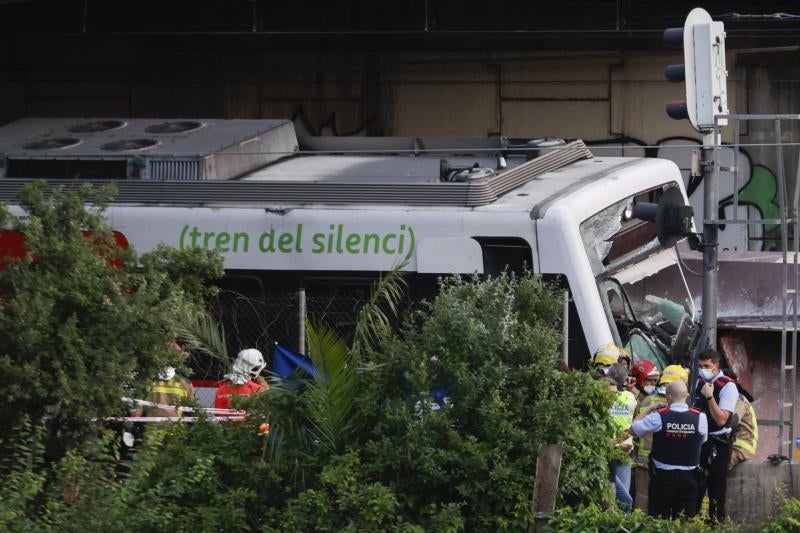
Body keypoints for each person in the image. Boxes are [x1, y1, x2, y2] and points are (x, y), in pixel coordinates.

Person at [630, 380, 707, 519]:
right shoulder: (700, 417)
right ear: (687, 395)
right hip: (690, 479)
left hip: (663, 479)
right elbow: (702, 441)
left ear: (669, 397)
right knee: (684, 522)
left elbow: (634, 429)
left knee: (658, 521)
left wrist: (649, 408)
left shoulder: (659, 416)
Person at [632, 364, 688, 511]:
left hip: (644, 460)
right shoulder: (678, 404)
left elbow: (636, 426)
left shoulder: (647, 400)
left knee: (642, 499)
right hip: (667, 463)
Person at [692, 349, 738, 522]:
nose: (703, 369)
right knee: (694, 489)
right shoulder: (697, 382)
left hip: (718, 444)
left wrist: (710, 397)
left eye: (707, 366)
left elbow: (721, 420)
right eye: (700, 366)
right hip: (698, 442)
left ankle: (717, 525)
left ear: (716, 365)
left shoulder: (727, 386)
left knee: (716, 492)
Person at [605, 361, 637, 513]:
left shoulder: (604, 396)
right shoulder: (631, 397)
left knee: (617, 499)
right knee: (624, 499)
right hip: (623, 449)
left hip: (614, 449)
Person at [143, 341, 195, 417]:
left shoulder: (147, 380)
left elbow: (138, 411)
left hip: (152, 427)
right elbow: (191, 412)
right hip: (177, 427)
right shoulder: (186, 383)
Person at [722, 368, 758, 470]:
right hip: (731, 444)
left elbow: (731, 422)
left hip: (742, 446)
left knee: (719, 467)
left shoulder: (739, 400)